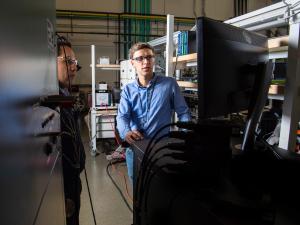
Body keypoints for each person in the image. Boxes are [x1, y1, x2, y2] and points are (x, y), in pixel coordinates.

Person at [116, 42, 191, 183]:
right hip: (136, 148)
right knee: (138, 190)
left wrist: (184, 136)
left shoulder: (169, 84)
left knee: (161, 188)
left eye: (149, 57)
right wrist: (126, 132)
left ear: (154, 60)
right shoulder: (128, 90)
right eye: (140, 58)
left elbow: (183, 112)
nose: (146, 62)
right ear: (132, 63)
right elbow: (122, 117)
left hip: (162, 149)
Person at [57, 36, 86, 225]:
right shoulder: (53, 99)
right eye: (68, 62)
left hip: (73, 181)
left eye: (74, 62)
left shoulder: (64, 95)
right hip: (62, 186)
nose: (74, 67)